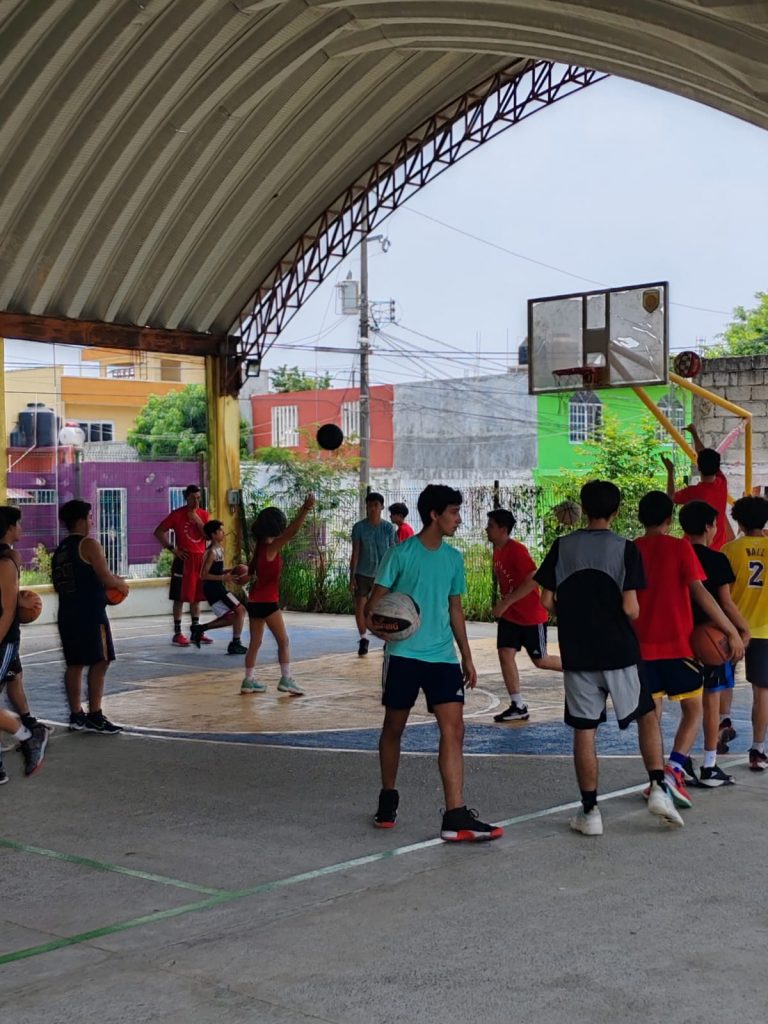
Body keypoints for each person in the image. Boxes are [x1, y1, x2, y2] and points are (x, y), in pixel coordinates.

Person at [534, 480, 683, 836]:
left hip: (578, 652)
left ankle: (590, 813)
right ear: (616, 512)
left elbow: (544, 602)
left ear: (582, 510)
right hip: (619, 650)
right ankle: (659, 787)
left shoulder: (562, 546)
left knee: (585, 730)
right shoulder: (625, 548)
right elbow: (631, 608)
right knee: (647, 716)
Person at [366, 484, 503, 842]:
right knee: (394, 727)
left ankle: (455, 814)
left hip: (442, 656)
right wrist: (382, 628)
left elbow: (455, 609)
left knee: (454, 730)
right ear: (434, 515)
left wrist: (468, 656)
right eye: (454, 512)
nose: (459, 519)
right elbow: (372, 608)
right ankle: (388, 794)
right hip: (404, 656)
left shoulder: (453, 559)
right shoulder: (401, 555)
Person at [632, 491, 744, 808]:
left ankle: (655, 781)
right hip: (680, 647)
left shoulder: (632, 549)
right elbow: (702, 595)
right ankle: (674, 770)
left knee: (649, 718)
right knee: (693, 710)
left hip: (642, 650)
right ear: (669, 519)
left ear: (641, 518)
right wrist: (730, 630)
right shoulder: (680, 548)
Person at [679, 500, 750, 785]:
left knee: (686, 706)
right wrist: (740, 632)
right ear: (710, 527)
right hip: (712, 640)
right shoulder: (716, 559)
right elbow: (725, 604)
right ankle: (709, 766)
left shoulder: (676, 555)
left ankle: (679, 759)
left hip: (682, 639)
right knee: (711, 704)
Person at [52, 500, 129, 734]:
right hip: (90, 613)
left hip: (67, 612)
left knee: (74, 664)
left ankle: (76, 715)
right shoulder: (89, 544)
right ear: (83, 519)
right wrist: (121, 585)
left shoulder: (60, 551)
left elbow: (59, 584)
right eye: (91, 517)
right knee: (101, 661)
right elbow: (106, 578)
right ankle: (95, 714)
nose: (93, 521)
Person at [485, 508, 561, 722]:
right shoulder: (497, 550)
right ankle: (518, 705)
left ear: (502, 529)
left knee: (541, 661)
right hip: (511, 617)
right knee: (505, 654)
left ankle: (584, 668)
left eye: (490, 525)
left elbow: (534, 578)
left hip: (530, 616)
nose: (486, 529)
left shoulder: (517, 550)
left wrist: (506, 601)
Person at [241, 495, 315, 695]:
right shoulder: (272, 547)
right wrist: (305, 509)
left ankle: (248, 680)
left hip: (254, 602)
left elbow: (248, 576)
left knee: (255, 643)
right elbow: (293, 531)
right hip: (268, 602)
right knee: (283, 641)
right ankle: (286, 679)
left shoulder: (258, 550)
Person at [0, 508, 48, 779]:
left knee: (13, 680)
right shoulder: (8, 557)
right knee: (15, 679)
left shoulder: (8, 559)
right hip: (5, 639)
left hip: (4, 639)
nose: (22, 528)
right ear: (9, 527)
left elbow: (7, 609)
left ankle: (27, 733)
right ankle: (28, 730)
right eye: (19, 524)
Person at [722, 495, 768, 771]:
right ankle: (758, 750)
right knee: (761, 691)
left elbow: (721, 595)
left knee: (723, 683)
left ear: (737, 521)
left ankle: (722, 723)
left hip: (733, 628)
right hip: (764, 630)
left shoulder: (729, 551)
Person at [154, 484, 211, 647]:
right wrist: (174, 549)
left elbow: (207, 536)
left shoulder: (203, 515)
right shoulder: (177, 515)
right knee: (179, 596)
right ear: (186, 497)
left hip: (199, 560)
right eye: (193, 498)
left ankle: (196, 631)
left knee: (196, 597)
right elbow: (158, 532)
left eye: (199, 497)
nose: (196, 501)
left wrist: (197, 519)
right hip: (184, 559)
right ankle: (178, 633)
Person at [661, 423, 733, 550]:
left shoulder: (694, 492)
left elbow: (670, 497)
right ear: (717, 467)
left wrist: (670, 471)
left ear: (698, 467)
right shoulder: (722, 482)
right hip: (718, 546)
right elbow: (704, 455)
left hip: (694, 547)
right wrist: (695, 434)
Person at [190, 520, 247, 653]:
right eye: (220, 531)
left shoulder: (219, 549)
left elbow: (216, 571)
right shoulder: (210, 552)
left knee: (233, 616)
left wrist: (230, 571)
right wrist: (223, 577)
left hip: (217, 586)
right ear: (214, 534)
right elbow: (203, 575)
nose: (223, 533)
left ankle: (201, 628)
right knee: (240, 610)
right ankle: (235, 643)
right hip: (212, 588)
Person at [350, 492, 396, 656]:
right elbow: (355, 552)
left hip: (383, 575)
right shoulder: (359, 527)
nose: (373, 509)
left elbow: (393, 551)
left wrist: (395, 574)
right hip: (363, 573)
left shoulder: (388, 528)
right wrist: (352, 576)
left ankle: (387, 639)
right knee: (361, 607)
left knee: (385, 608)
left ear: (382, 507)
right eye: (370, 505)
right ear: (366, 507)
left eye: (376, 505)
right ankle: (363, 638)